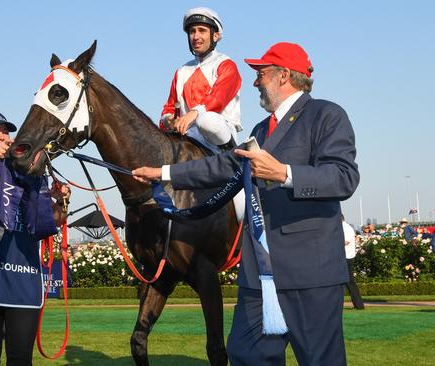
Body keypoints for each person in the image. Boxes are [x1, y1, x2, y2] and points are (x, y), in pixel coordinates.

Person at [133, 42, 359, 365]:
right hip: (259, 282)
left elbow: (343, 177)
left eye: (261, 73)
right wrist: (163, 172)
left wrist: (284, 173)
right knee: (244, 356)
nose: (255, 81)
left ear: (283, 76)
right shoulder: (259, 131)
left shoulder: (327, 115)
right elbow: (221, 167)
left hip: (311, 278)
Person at [0, 111, 71, 366]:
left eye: (5, 132)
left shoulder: (27, 177)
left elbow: (50, 221)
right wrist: (0, 163)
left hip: (23, 279)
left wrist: (61, 200)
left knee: (20, 359)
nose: (2, 136)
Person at [159, 7, 242, 151]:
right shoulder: (181, 71)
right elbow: (169, 107)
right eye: (192, 31)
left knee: (206, 121)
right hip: (187, 136)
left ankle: (234, 162)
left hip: (217, 133)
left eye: (202, 30)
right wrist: (168, 120)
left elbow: (218, 98)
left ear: (215, 36)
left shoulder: (226, 64)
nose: (196, 36)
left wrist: (194, 114)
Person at [342, 215, 364, 310]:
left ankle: (359, 304)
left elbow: (345, 242)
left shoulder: (345, 228)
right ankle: (358, 304)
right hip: (347, 257)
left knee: (349, 282)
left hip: (346, 257)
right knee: (347, 282)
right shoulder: (347, 227)